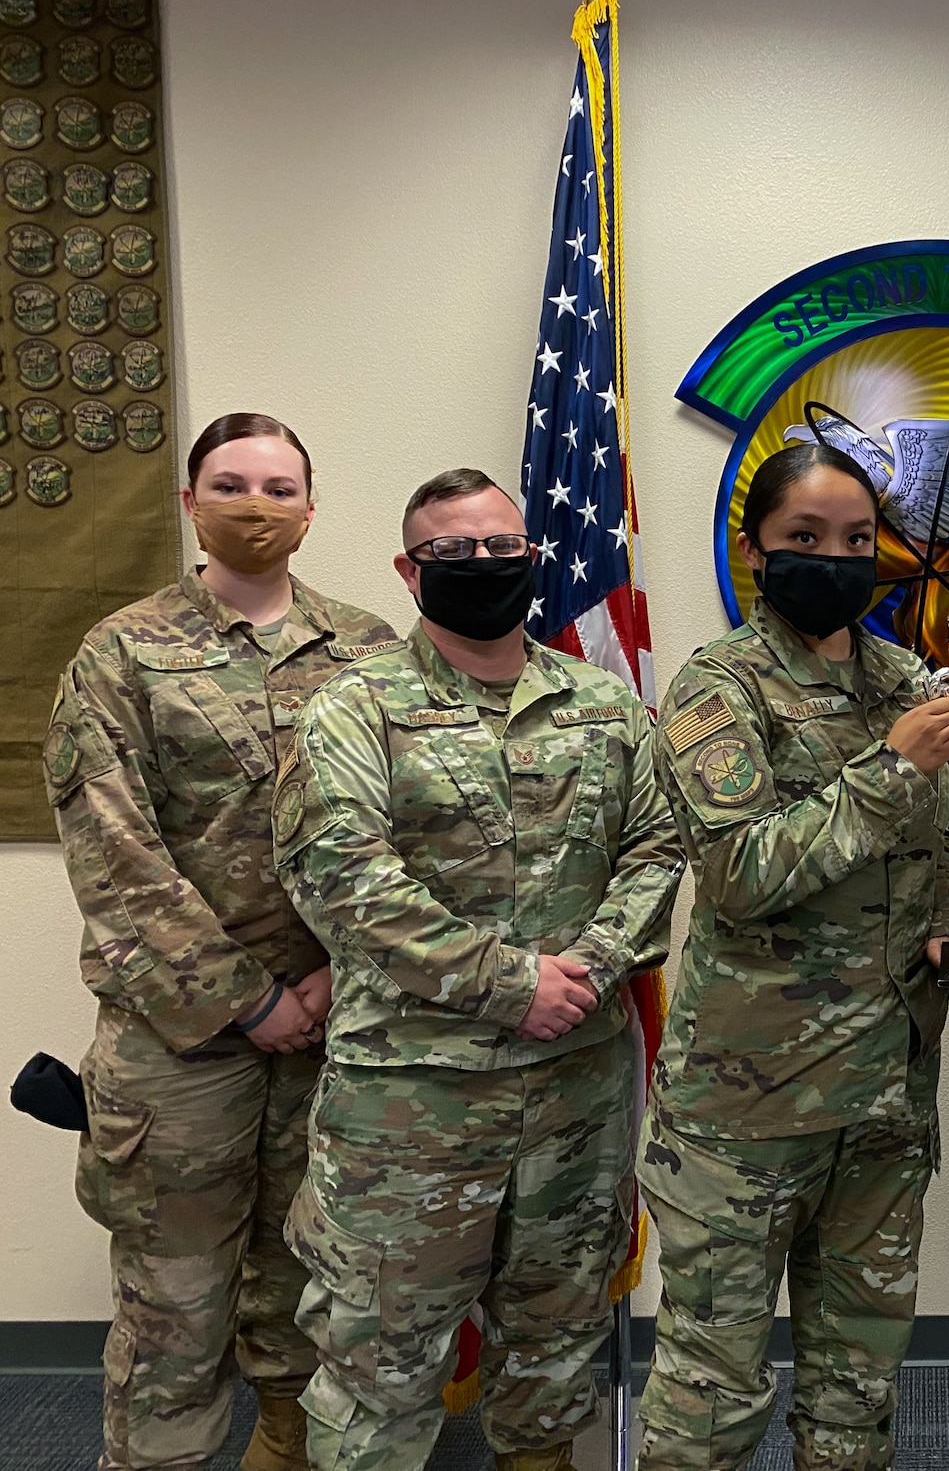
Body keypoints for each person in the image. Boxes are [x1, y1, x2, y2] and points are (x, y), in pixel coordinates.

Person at [273, 467, 682, 1471]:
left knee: (552, 1361)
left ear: (533, 559)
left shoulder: (602, 702)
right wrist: (512, 985)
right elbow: (343, 878)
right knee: (378, 1374)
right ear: (410, 571)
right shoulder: (353, 708)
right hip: (410, 1110)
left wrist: (583, 969)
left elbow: (658, 846)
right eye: (455, 553)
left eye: (503, 548)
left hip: (574, 1102)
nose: (484, 567)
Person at [44, 413, 398, 1471]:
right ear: (190, 502)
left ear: (311, 507)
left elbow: (410, 827)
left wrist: (341, 971)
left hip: (336, 1026)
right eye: (232, 484)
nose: (258, 505)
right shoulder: (122, 652)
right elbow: (115, 856)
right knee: (176, 1313)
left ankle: (285, 1451)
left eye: (280, 488)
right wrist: (251, 999)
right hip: (182, 1044)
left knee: (314, 1294)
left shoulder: (370, 650)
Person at [636, 442, 949, 1471]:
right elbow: (739, 873)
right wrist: (886, 769)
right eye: (804, 539)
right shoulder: (716, 688)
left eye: (858, 540)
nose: (835, 557)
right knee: (712, 1386)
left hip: (883, 1096)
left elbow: (941, 842)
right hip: (751, 1108)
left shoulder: (903, 680)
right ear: (754, 553)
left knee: (857, 1384)